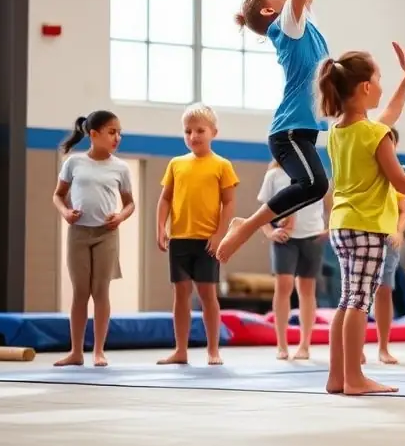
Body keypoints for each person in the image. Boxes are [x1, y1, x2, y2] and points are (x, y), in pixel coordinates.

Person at [216, 0, 348, 263]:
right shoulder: (288, 26)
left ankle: (249, 224)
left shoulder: (299, 20)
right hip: (289, 132)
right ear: (273, 9)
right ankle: (248, 225)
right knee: (315, 186)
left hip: (302, 132)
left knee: (314, 185)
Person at [317, 47, 405, 395]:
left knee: (346, 300)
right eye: (380, 79)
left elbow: (390, 113)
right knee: (358, 302)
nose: (382, 86)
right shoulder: (375, 135)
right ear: (366, 87)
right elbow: (399, 180)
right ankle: (355, 377)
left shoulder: (340, 131)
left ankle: (337, 376)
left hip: (342, 224)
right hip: (367, 228)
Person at [155, 104, 239, 366]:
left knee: (207, 295)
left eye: (200, 130)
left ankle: (213, 350)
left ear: (213, 132)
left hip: (206, 240)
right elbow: (165, 199)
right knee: (180, 294)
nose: (193, 136)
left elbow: (229, 204)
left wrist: (219, 235)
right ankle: (181, 350)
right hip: (180, 238)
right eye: (188, 131)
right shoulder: (176, 164)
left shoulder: (222, 165)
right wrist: (160, 226)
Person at [51, 111, 135, 368]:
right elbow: (58, 195)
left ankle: (99, 350)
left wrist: (120, 217)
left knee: (101, 291)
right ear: (93, 134)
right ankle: (76, 351)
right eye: (112, 132)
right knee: (80, 292)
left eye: (119, 132)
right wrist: (66, 212)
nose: (117, 137)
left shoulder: (120, 167)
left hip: (106, 234)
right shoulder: (74, 163)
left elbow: (130, 204)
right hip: (79, 233)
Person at [259, 160, 332, 361]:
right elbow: (262, 213)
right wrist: (270, 232)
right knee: (284, 286)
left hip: (313, 236)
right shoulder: (274, 175)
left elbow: (330, 205)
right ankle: (281, 344)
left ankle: (304, 345)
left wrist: (330, 227)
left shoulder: (317, 174)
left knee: (307, 290)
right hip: (285, 239)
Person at [369, 126, 405, 365]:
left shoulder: (401, 172)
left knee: (384, 290)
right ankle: (356, 345)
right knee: (360, 292)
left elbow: (403, 211)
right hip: (366, 234)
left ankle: (383, 346)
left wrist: (398, 231)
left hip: (389, 238)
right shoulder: (367, 170)